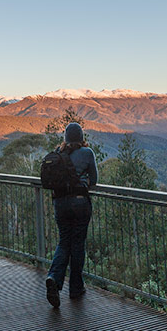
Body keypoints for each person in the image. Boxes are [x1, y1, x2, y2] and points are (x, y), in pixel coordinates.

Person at [46, 122, 98, 308]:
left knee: (63, 241)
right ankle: (75, 288)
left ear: (66, 138)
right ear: (81, 137)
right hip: (79, 203)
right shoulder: (87, 153)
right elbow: (95, 179)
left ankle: (54, 277)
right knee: (77, 244)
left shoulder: (58, 154)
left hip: (60, 203)